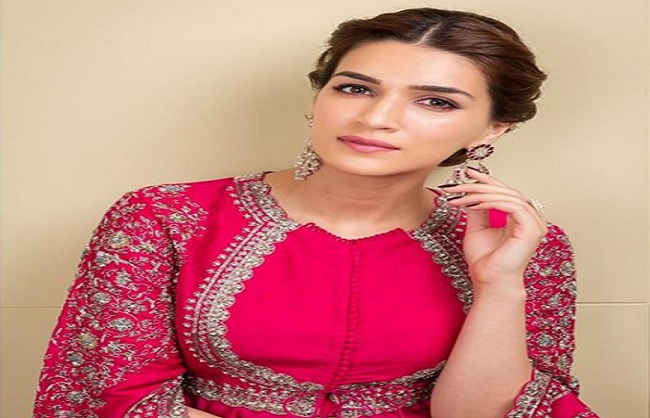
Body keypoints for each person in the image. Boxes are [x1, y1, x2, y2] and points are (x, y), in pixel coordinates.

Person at [33, 7, 599, 418]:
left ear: (493, 129)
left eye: (435, 101)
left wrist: (499, 285)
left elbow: (486, 414)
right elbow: (122, 396)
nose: (376, 118)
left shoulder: (522, 244)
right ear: (318, 98)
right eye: (355, 89)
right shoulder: (163, 218)